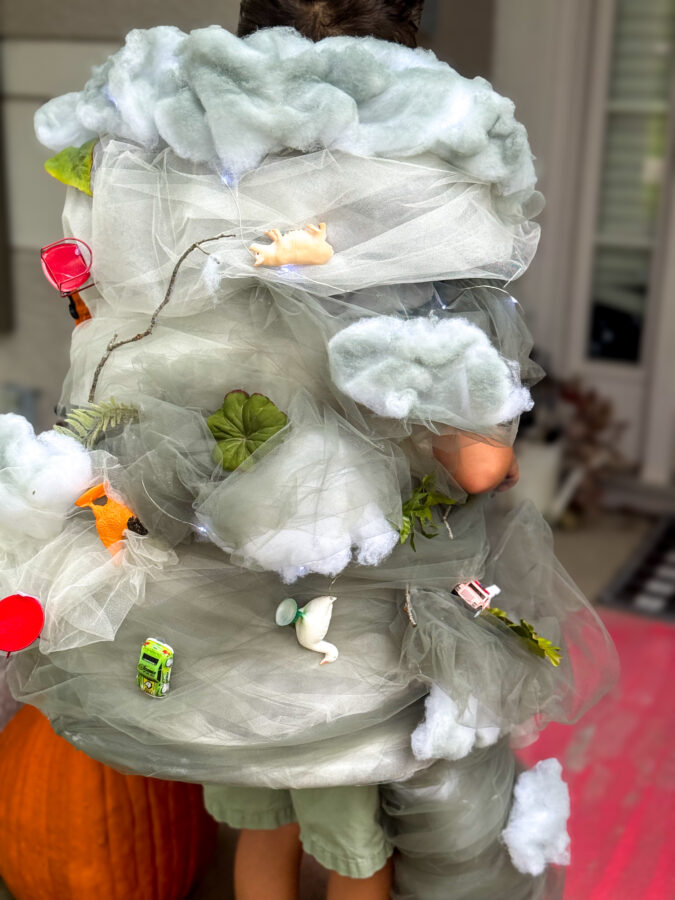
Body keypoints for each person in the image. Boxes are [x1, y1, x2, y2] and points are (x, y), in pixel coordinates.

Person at [6, 1, 618, 898]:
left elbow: (112, 392)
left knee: (260, 831)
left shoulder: (170, 188)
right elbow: (480, 464)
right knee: (351, 842)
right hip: (336, 653)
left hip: (206, 653)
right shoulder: (419, 223)